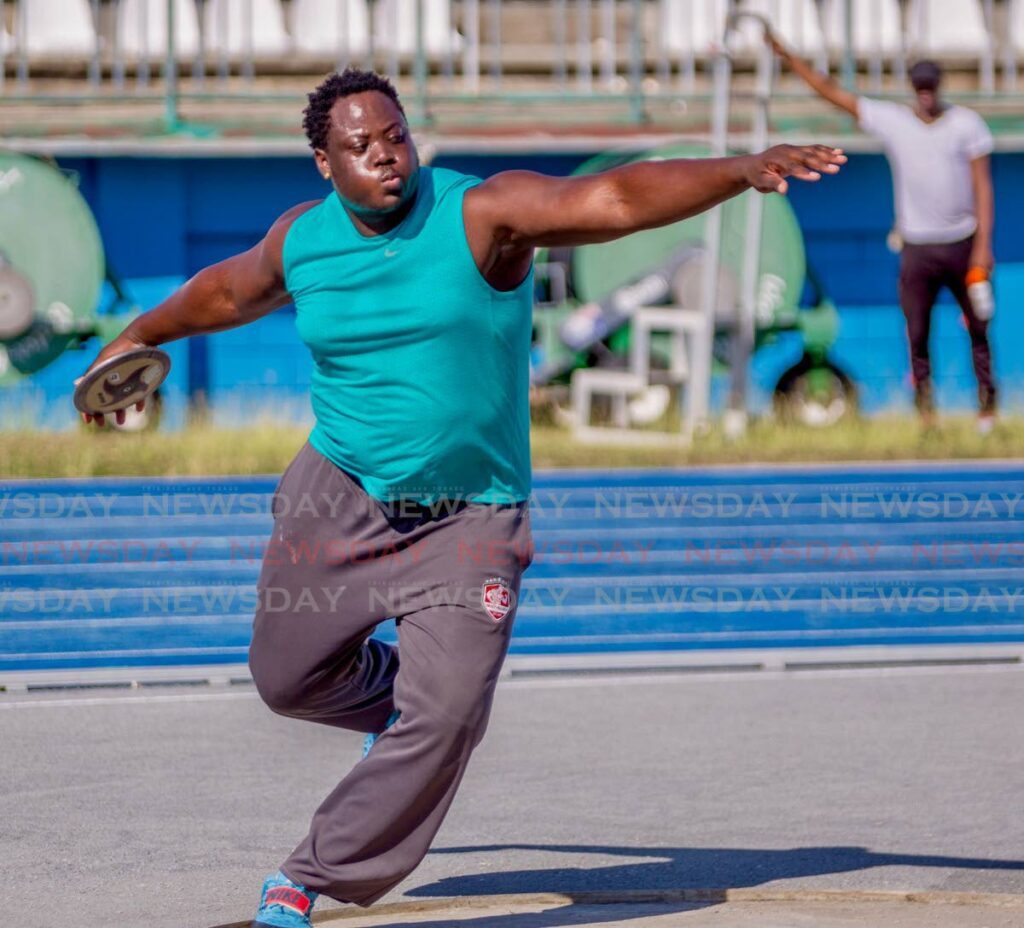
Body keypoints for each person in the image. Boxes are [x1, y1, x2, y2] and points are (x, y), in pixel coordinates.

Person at [77, 69, 844, 927]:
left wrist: (737, 170)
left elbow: (615, 198)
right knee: (285, 680)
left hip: (471, 517)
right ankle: (410, 701)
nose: (384, 157)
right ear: (324, 165)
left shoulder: (483, 215)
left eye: (394, 136)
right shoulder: (303, 240)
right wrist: (135, 337)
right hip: (340, 496)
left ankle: (313, 873)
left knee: (444, 719)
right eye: (359, 146)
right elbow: (222, 291)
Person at [768, 36, 997, 431]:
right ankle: (926, 416)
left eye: (931, 87)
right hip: (917, 245)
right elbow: (835, 94)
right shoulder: (895, 122)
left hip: (961, 241)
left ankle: (987, 412)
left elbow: (983, 186)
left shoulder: (966, 124)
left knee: (978, 327)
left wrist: (983, 247)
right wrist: (790, 58)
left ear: (939, 87)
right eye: (920, 88)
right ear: (913, 88)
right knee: (918, 333)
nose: (926, 96)